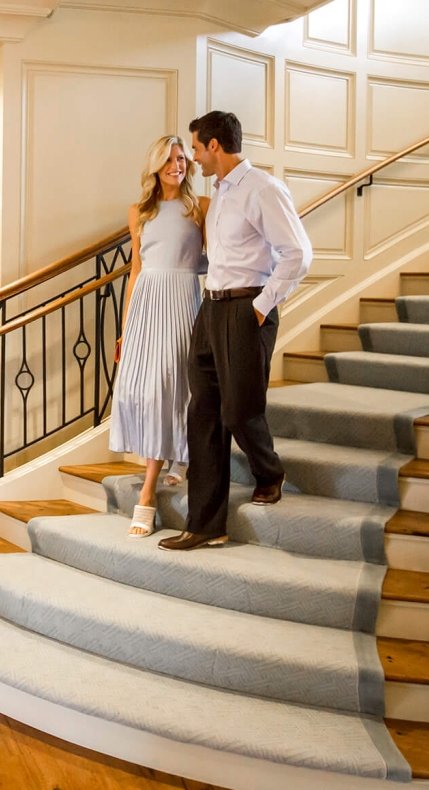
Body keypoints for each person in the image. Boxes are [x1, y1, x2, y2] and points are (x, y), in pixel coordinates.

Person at [158, 110, 312, 552]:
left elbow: (297, 253)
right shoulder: (220, 194)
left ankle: (270, 471)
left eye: (197, 149)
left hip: (248, 308)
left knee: (238, 410)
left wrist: (262, 307)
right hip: (211, 308)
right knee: (203, 411)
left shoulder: (262, 188)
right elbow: (224, 255)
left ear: (215, 147)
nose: (193, 158)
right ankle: (205, 525)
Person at [110, 135, 209, 537]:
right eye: (169, 159)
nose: (177, 165)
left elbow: (216, 259)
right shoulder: (139, 212)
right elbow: (135, 270)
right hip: (147, 304)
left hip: (184, 298)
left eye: (182, 158)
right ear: (156, 165)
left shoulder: (200, 207)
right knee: (147, 390)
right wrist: (125, 325)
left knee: (179, 384)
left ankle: (148, 492)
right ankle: (172, 460)